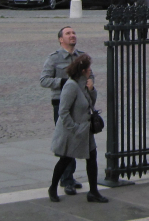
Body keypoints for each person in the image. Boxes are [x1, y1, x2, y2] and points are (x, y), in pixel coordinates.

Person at [48, 53, 107, 203]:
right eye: (88, 69)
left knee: (92, 158)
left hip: (86, 130)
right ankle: (53, 188)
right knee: (65, 159)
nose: (90, 71)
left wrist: (92, 89)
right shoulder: (71, 86)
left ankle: (93, 192)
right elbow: (63, 111)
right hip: (73, 132)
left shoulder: (83, 85)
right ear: (82, 70)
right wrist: (74, 128)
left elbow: (90, 104)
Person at [41, 27, 89, 195]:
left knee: (74, 140)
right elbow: (44, 80)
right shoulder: (54, 58)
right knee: (66, 141)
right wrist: (64, 83)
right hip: (60, 103)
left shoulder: (81, 57)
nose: (72, 35)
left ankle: (69, 177)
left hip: (79, 104)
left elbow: (90, 76)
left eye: (74, 33)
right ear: (61, 39)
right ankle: (66, 179)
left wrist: (89, 82)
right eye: (68, 33)